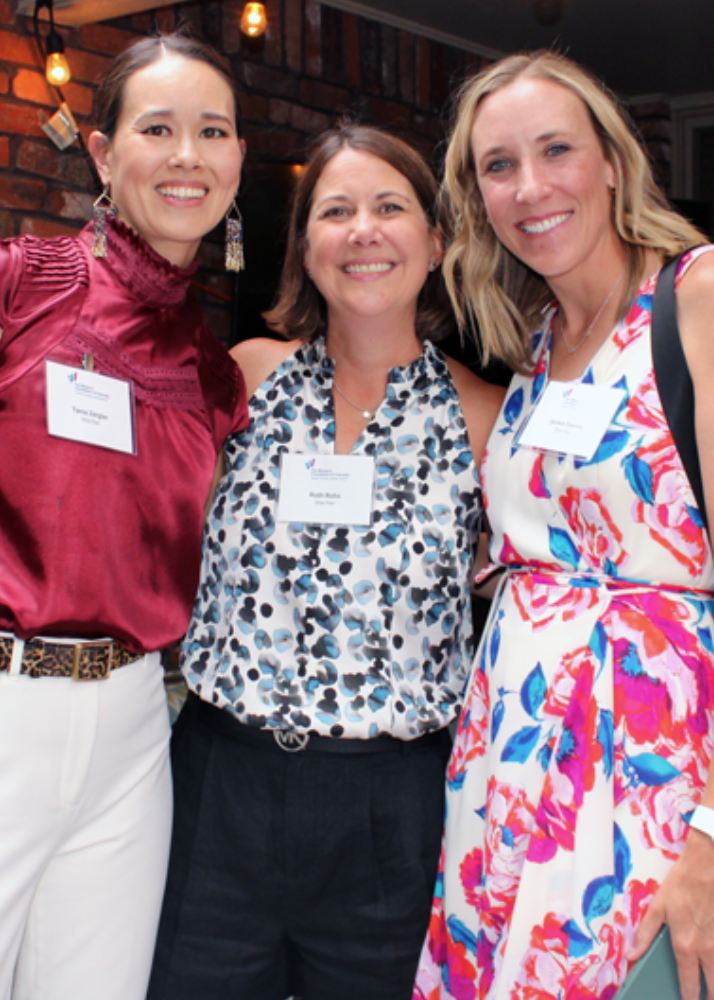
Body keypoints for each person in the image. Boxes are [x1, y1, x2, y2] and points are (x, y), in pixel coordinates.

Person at [146, 123, 504, 1000]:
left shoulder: (490, 417)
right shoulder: (245, 378)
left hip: (393, 807)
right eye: (335, 212)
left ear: (438, 240)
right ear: (305, 248)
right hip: (218, 785)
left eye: (390, 208)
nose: (364, 231)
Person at [412, 50, 714, 1000]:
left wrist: (711, 837)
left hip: (650, 786)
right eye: (499, 165)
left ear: (613, 162)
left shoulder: (696, 300)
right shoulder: (541, 341)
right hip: (510, 769)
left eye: (556, 151)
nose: (531, 187)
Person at [0, 31, 247, 1000]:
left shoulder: (215, 373)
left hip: (137, 727)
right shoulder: (22, 284)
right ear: (104, 154)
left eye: (213, 131)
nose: (188, 154)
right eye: (158, 127)